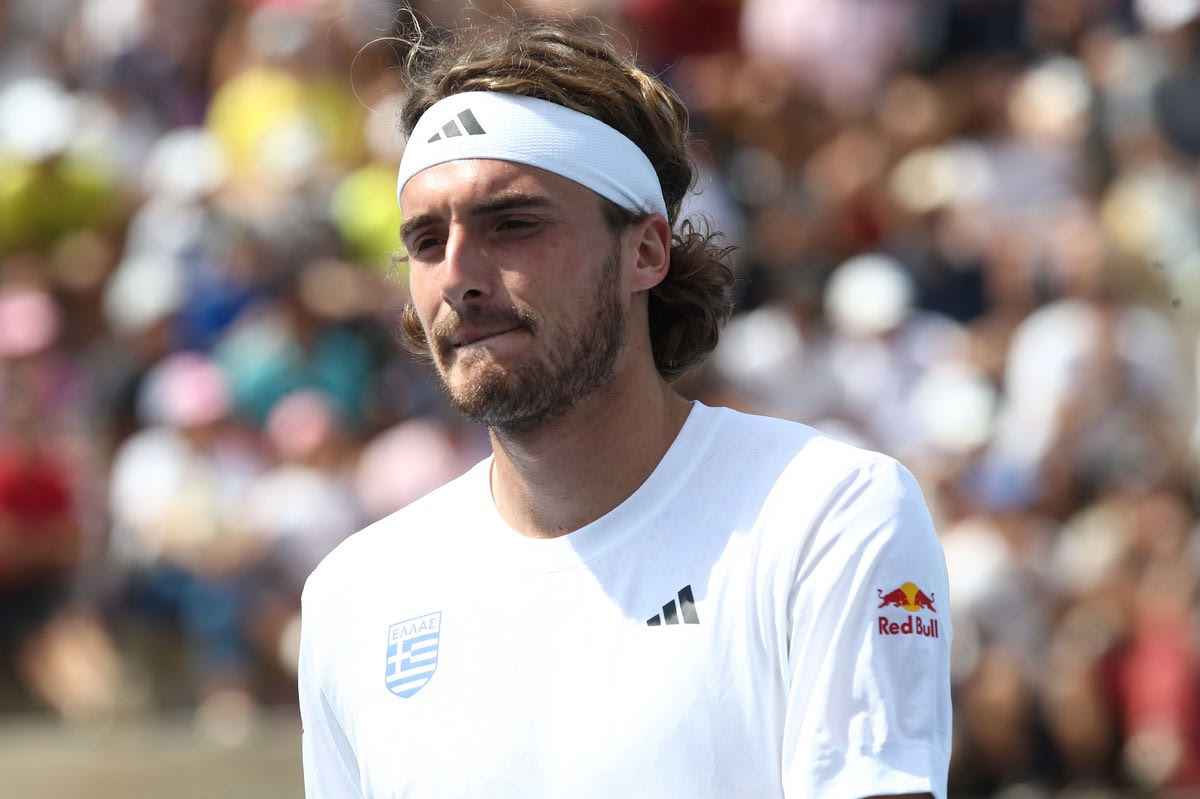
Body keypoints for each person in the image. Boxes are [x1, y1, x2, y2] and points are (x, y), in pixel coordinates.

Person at [298, 17, 951, 799]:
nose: (458, 276)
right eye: (427, 240)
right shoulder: (353, 594)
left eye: (514, 223)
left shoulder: (826, 512)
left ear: (646, 251)